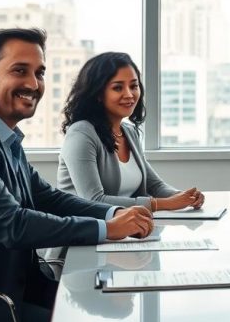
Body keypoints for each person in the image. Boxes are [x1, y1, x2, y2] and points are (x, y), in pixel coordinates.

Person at [0, 29, 153, 322]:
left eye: (40, 72)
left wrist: (116, 213)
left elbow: (47, 198)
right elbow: (12, 224)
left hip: (13, 288)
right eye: (20, 71)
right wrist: (106, 228)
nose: (34, 84)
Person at [57, 52, 204, 211]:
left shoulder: (128, 132)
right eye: (117, 87)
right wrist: (161, 204)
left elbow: (155, 185)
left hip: (124, 227)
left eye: (134, 86)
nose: (129, 95)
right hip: (86, 229)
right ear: (98, 94)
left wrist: (185, 197)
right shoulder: (81, 134)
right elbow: (93, 200)